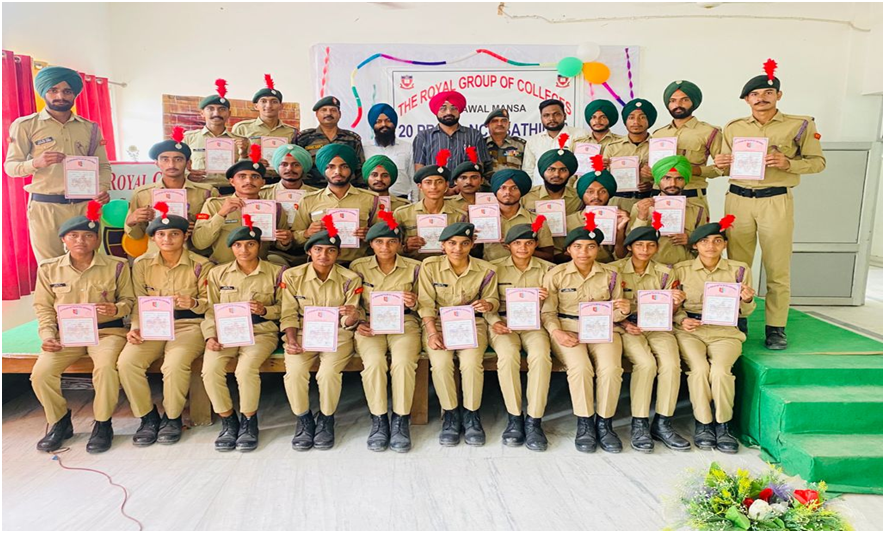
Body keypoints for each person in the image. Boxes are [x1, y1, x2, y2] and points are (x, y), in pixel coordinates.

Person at [715, 59, 826, 350]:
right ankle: (738, 319)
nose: (761, 98)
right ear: (746, 100)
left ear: (778, 95)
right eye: (754, 94)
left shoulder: (800, 125)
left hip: (775, 200)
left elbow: (818, 162)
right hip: (738, 201)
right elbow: (723, 168)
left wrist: (789, 163)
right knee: (737, 266)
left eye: (767, 92)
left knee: (777, 268)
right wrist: (721, 163)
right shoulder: (733, 127)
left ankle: (776, 328)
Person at [31, 202, 134, 453]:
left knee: (106, 369)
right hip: (67, 334)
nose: (81, 241)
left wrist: (116, 309)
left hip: (107, 332)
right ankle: (59, 421)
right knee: (41, 374)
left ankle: (102, 424)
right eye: (74, 236)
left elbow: (129, 302)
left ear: (97, 240)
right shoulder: (49, 269)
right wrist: (48, 336)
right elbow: (43, 307)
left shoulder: (117, 265)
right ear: (63, 239)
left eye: (88, 236)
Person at [117, 208, 213, 446]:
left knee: (174, 364)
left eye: (174, 234)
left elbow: (211, 303)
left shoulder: (201, 265)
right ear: (153, 238)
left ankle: (172, 417)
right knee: (127, 362)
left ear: (185, 236)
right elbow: (138, 301)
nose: (167, 239)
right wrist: (135, 327)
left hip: (188, 325)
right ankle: (147, 417)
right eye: (161, 234)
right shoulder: (142, 264)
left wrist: (194, 303)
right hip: (152, 325)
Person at [542, 212, 630, 453]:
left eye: (591, 247)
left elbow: (617, 310)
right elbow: (547, 312)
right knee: (580, 368)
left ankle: (605, 423)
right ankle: (585, 423)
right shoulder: (556, 274)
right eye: (578, 247)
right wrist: (557, 333)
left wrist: (624, 311)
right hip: (567, 328)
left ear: (598, 249)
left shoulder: (611, 275)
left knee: (611, 369)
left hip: (603, 328)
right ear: (568, 250)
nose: (584, 252)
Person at [5, 66, 112, 261]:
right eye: (53, 90)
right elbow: (10, 167)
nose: (60, 96)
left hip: (85, 206)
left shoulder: (90, 128)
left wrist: (102, 187)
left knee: (88, 263)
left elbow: (103, 166)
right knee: (50, 266)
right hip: (46, 207)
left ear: (75, 94)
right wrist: (35, 163)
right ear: (44, 92)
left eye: (67, 91)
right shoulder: (26, 125)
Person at [673, 215, 756, 454]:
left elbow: (746, 311)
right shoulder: (681, 270)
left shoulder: (739, 270)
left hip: (725, 331)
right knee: (699, 369)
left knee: (720, 371)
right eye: (705, 241)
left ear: (725, 244)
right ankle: (703, 424)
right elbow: (674, 307)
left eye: (717, 241)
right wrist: (681, 319)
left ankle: (723, 425)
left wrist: (747, 299)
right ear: (695, 246)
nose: (711, 246)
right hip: (691, 331)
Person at [201, 222, 286, 452]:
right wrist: (210, 336)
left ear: (259, 246)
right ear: (231, 248)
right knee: (210, 370)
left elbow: (286, 308)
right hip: (226, 333)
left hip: (261, 332)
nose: (244, 250)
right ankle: (228, 421)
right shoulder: (217, 273)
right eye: (238, 245)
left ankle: (249, 421)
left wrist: (265, 310)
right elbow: (210, 310)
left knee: (245, 370)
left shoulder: (276, 272)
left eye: (250, 244)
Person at [281, 217, 362, 451]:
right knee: (295, 372)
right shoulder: (292, 276)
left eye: (330, 250)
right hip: (303, 332)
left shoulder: (350, 279)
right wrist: (292, 340)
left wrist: (352, 317)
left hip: (338, 333)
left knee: (328, 373)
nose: (324, 255)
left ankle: (326, 419)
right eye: (318, 249)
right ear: (309, 252)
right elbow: (288, 313)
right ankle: (304, 419)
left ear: (338, 254)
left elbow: (348, 321)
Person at [417, 222, 498, 447]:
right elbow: (425, 303)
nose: (458, 249)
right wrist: (432, 333)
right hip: (438, 324)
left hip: (472, 323)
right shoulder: (429, 266)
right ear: (442, 245)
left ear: (472, 245)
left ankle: (472, 415)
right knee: (441, 363)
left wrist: (488, 304)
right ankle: (451, 415)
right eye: (451, 243)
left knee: (471, 363)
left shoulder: (486, 269)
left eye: (464, 243)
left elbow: (493, 298)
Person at [350, 213, 423, 452]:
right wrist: (357, 322)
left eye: (392, 241)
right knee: (374, 363)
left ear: (400, 244)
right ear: (371, 244)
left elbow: (426, 302)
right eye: (379, 242)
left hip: (405, 323)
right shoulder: (358, 267)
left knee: (403, 363)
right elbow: (352, 303)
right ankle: (379, 419)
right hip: (370, 324)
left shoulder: (415, 268)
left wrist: (414, 301)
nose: (385, 247)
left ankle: (400, 420)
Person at [485, 221, 554, 451]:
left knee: (541, 357)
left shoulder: (548, 270)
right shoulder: (494, 269)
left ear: (535, 245)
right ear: (507, 246)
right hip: (504, 323)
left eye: (529, 243)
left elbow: (553, 307)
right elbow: (488, 301)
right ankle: (514, 417)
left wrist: (545, 299)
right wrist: (495, 322)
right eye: (517, 243)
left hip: (535, 324)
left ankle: (534, 420)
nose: (523, 248)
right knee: (507, 357)